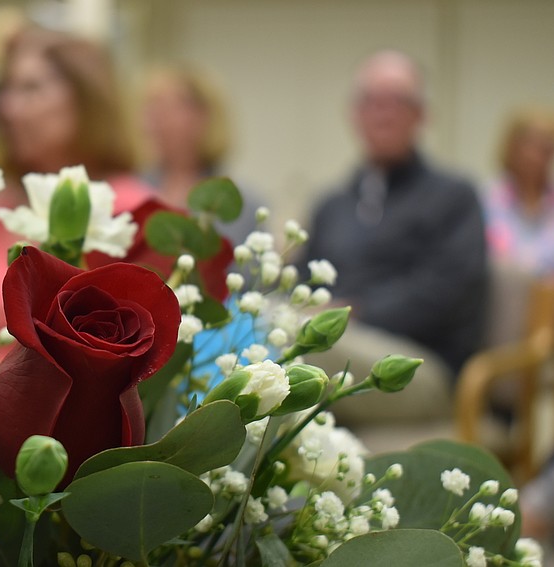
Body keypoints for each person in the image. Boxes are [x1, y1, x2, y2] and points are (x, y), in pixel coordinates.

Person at [301, 51, 488, 426]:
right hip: (340, 350)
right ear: (354, 115)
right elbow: (303, 280)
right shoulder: (332, 204)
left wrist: (352, 313)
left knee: (298, 348)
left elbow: (447, 294)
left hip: (418, 366)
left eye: (397, 101)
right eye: (370, 101)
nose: (382, 113)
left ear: (422, 115)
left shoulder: (454, 197)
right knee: (258, 328)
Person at [0, 25, 151, 335]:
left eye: (31, 88)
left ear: (87, 100)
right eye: (6, 90)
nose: (7, 108)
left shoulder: (133, 210)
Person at [141, 65, 265, 245]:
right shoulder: (130, 189)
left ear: (203, 116)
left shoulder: (243, 203)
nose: (153, 120)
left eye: (166, 108)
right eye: (150, 108)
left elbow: (245, 270)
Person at [485, 107, 554, 276]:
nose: (535, 156)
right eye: (529, 145)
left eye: (544, 147)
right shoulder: (486, 201)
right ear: (511, 148)